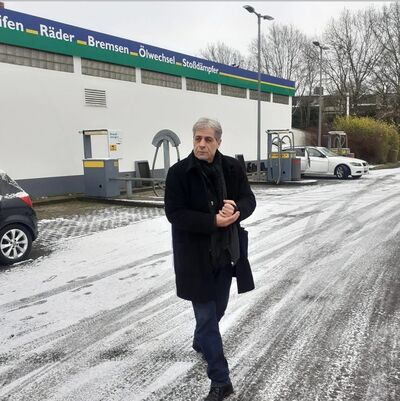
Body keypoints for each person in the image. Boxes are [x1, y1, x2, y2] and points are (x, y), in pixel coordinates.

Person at [164, 117, 256, 401]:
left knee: (218, 310)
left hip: (225, 255)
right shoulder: (179, 173)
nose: (202, 144)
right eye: (197, 139)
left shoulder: (232, 168)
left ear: (218, 142)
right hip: (195, 259)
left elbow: (249, 200)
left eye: (208, 139)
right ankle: (221, 380)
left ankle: (201, 340)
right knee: (206, 317)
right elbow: (175, 213)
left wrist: (236, 209)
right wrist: (212, 221)